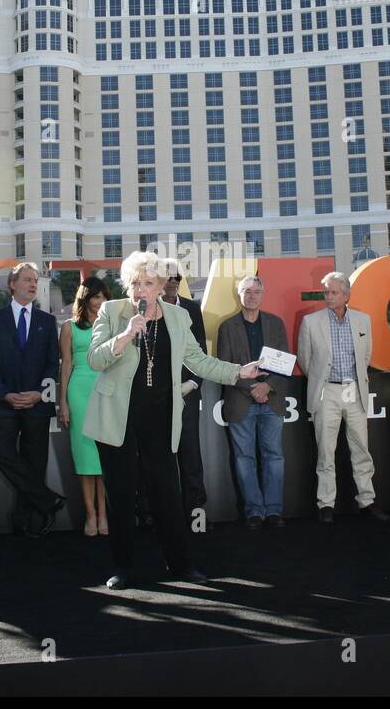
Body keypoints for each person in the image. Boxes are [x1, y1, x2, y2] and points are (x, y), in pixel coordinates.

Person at [83, 251, 261, 589]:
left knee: (167, 493)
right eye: (135, 283)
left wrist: (238, 371)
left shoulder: (178, 317)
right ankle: (123, 567)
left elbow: (199, 360)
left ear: (161, 286)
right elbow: (95, 359)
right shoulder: (112, 311)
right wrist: (123, 336)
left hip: (162, 416)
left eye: (148, 283)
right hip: (117, 417)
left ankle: (180, 564)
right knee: (120, 495)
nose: (140, 290)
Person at [0, 262, 64, 538]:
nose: (32, 284)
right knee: (2, 454)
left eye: (36, 280)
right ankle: (48, 500)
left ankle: (29, 524)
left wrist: (40, 393)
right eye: (27, 279)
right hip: (2, 403)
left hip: (37, 404)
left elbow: (53, 363)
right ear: (12, 284)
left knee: (34, 463)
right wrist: (6, 393)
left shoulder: (46, 320)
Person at [298, 271, 388, 523]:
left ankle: (367, 501)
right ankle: (326, 504)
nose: (328, 296)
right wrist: (323, 381)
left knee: (361, 449)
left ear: (347, 295)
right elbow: (306, 362)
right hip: (327, 391)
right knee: (326, 451)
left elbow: (366, 355)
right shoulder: (311, 322)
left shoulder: (362, 321)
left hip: (355, 390)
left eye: (333, 292)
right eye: (326, 291)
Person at [216, 275, 290, 529]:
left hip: (272, 400)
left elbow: (285, 362)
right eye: (247, 291)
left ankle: (273, 511)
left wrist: (267, 387)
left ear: (263, 294)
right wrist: (253, 389)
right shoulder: (227, 327)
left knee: (274, 456)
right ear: (239, 294)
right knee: (244, 458)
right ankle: (254, 512)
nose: (251, 295)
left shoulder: (275, 324)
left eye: (256, 291)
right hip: (241, 401)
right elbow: (224, 367)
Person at [59, 275, 110, 537]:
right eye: (95, 296)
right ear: (85, 298)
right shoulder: (69, 327)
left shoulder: (112, 325)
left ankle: (104, 515)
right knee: (84, 457)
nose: (100, 301)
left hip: (105, 392)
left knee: (103, 459)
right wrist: (63, 403)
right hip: (79, 391)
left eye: (103, 296)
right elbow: (66, 365)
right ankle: (90, 516)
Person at [162, 262, 209, 514]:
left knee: (190, 453)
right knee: (158, 455)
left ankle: (195, 511)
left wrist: (192, 383)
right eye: (167, 277)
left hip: (187, 392)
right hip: (155, 395)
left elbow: (200, 350)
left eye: (176, 278)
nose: (172, 282)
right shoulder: (146, 308)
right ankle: (156, 513)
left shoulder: (191, 308)